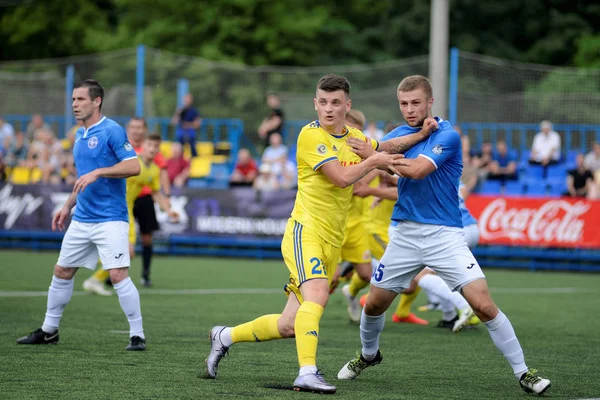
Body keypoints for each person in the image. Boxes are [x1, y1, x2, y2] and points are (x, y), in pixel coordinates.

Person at [203, 74, 429, 394]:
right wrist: (374, 161)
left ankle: (223, 336)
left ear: (347, 105)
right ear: (315, 103)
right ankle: (307, 372)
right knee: (319, 295)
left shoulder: (354, 136)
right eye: (322, 102)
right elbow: (339, 178)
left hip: (332, 241)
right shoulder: (310, 136)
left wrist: (420, 133)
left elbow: (389, 146)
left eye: (335, 103)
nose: (328, 109)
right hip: (305, 232)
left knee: (287, 325)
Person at [337, 75, 551, 395]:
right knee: (374, 306)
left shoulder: (447, 135)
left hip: (445, 235)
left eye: (416, 103)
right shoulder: (399, 133)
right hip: (405, 234)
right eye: (404, 104)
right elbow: (385, 147)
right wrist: (375, 153)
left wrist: (377, 157)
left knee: (483, 306)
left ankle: (524, 372)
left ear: (430, 102)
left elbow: (417, 170)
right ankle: (369, 355)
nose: (410, 109)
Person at [16, 79, 147, 351]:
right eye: (73, 99)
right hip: (82, 218)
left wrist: (99, 172)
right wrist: (67, 205)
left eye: (80, 100)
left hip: (110, 218)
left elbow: (134, 167)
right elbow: (82, 179)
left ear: (96, 101)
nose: (75, 105)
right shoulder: (79, 133)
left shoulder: (112, 130)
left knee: (118, 275)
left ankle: (137, 334)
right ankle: (50, 330)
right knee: (62, 271)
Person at [172, 93, 201, 158]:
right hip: (181, 131)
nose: (187, 101)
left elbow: (197, 124)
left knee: (192, 142)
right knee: (179, 141)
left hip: (190, 131)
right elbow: (173, 122)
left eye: (189, 99)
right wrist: (177, 113)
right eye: (186, 99)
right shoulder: (180, 110)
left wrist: (188, 125)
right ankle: (179, 158)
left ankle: (194, 158)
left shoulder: (194, 111)